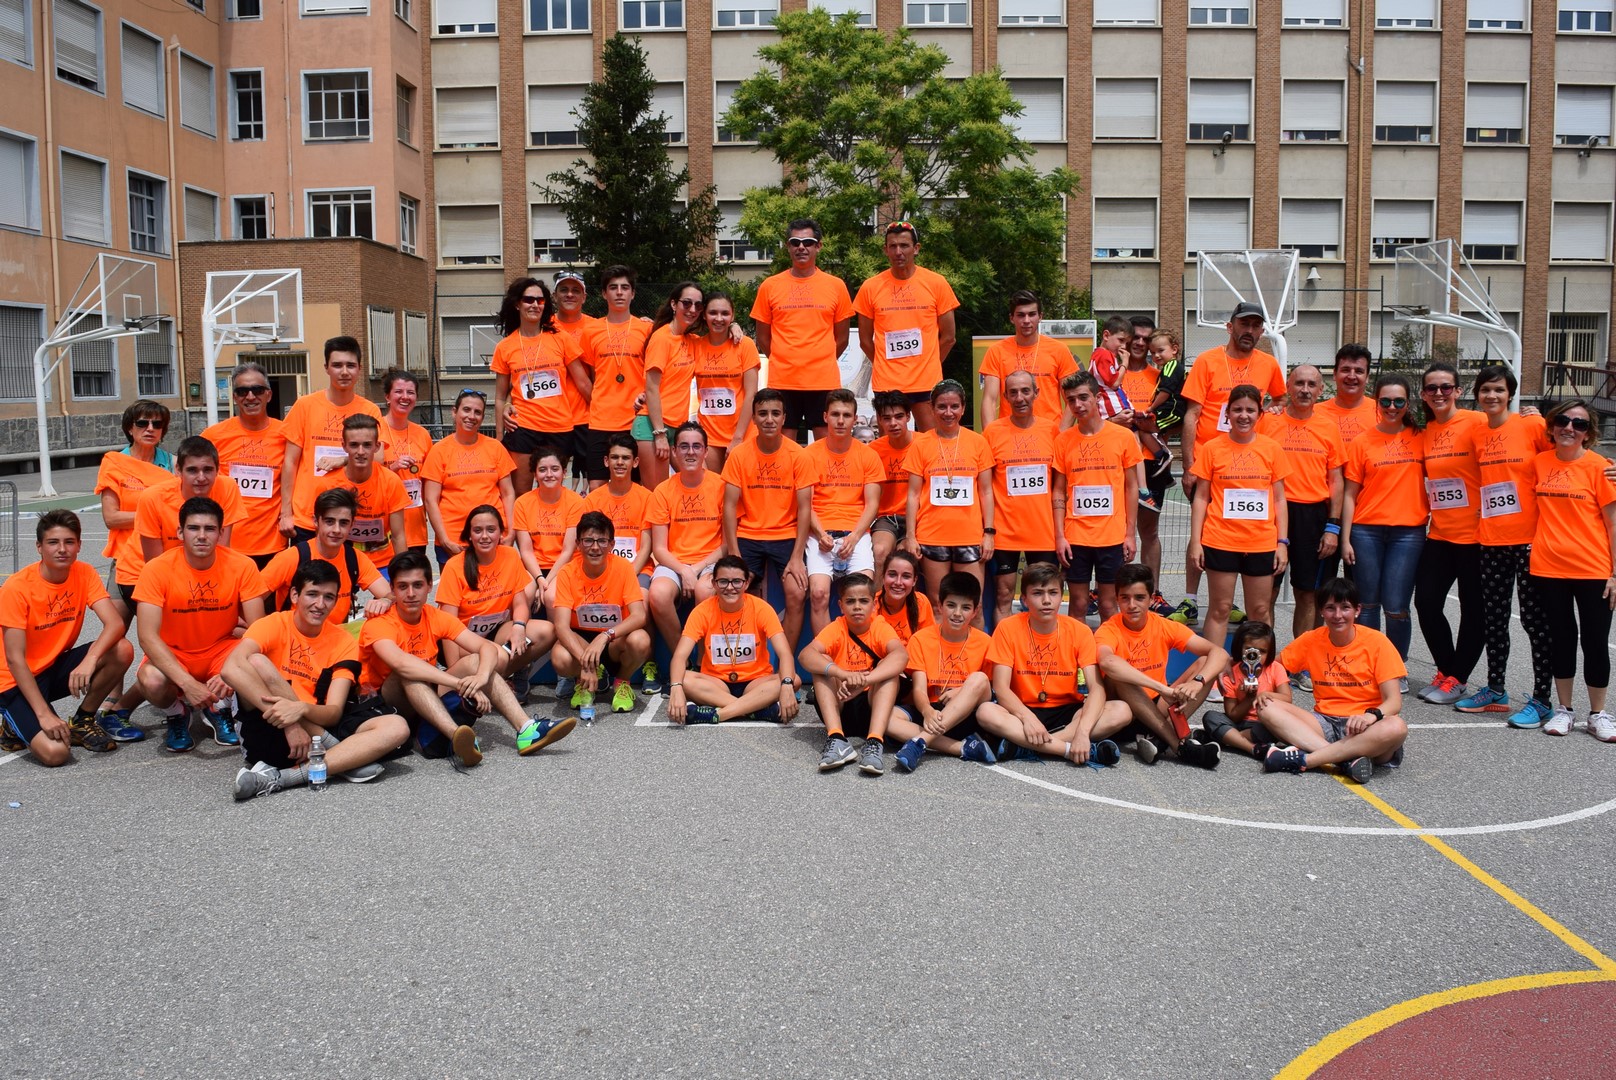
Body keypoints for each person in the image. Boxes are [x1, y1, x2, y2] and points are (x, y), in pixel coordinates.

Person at [360, 551, 573, 763]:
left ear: (429, 586)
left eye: (417, 585)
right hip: (390, 704)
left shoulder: (433, 616)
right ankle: (457, 737)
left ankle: (526, 730)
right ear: (392, 589)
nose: (411, 593)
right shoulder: (379, 622)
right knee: (408, 674)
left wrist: (481, 677)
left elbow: (486, 647)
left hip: (428, 694)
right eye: (402, 586)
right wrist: (459, 684)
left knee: (477, 661)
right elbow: (401, 664)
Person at [225, 561, 410, 800]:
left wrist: (301, 709)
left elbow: (333, 712)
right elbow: (230, 669)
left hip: (317, 728)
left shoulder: (343, 641)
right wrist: (291, 724)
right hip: (270, 726)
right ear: (295, 595)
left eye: (329, 597)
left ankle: (282, 778)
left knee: (397, 726)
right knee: (257, 662)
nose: (320, 604)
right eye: (312, 594)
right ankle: (342, 759)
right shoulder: (272, 624)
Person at [1456, 365, 1557, 727]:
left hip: (1530, 539)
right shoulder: (1478, 432)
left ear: (1511, 394)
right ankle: (1496, 690)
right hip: (1491, 539)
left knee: (1534, 621)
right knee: (1495, 619)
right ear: (1477, 395)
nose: (1492, 396)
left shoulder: (1531, 425)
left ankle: (1542, 699)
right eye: (1485, 390)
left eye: (1499, 390)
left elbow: (1565, 454)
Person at [1175, 302, 1286, 626]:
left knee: (1242, 531)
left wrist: (1273, 409)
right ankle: (1191, 598)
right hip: (1211, 461)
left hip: (1251, 465)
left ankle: (1231, 601)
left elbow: (1280, 398)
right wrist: (1190, 464)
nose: (1249, 331)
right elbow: (1192, 414)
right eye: (1243, 324)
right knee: (1204, 532)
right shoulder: (1207, 361)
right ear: (1230, 327)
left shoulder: (1268, 364)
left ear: (1261, 331)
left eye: (1255, 326)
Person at [132, 498, 267, 752]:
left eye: (210, 529)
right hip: (176, 652)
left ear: (221, 533)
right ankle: (177, 712)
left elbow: (259, 630)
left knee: (256, 663)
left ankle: (219, 707)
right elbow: (147, 637)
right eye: (193, 528)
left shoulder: (243, 565)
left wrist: (233, 672)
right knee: (150, 680)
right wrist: (187, 683)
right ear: (180, 532)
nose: (202, 536)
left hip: (221, 649)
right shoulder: (156, 569)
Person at [0, 511, 134, 763]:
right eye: (53, 542)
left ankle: (83, 720)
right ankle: (10, 726)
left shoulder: (84, 572)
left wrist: (90, 660)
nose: (62, 549)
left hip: (50, 668)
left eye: (69, 542)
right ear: (39, 547)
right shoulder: (17, 588)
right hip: (14, 680)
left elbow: (115, 623)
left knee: (122, 649)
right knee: (56, 753)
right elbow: (14, 659)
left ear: (79, 545)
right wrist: (44, 715)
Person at [1258, 578, 1410, 783]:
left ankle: (1307, 760)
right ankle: (1345, 761)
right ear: (1321, 611)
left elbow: (1394, 701)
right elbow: (1273, 665)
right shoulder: (1311, 639)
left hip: (1366, 726)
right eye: (1330, 608)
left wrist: (1370, 716)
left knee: (1397, 726)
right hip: (1325, 722)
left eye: (1345, 607)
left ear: (1357, 610)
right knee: (1267, 706)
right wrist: (1233, 666)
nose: (1338, 615)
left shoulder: (1377, 642)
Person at [975, 562, 1122, 766]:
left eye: (1053, 593)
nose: (1046, 600)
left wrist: (1083, 731)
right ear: (1024, 599)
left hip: (1067, 710)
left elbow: (1096, 688)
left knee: (1121, 710)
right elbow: (1000, 687)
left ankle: (1026, 746)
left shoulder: (1080, 631)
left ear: (1061, 597)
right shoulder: (1007, 628)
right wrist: (1027, 718)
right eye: (1038, 593)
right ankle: (1067, 749)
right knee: (986, 712)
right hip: (1023, 708)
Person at [1528, 401, 1616, 739]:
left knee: (1595, 642)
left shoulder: (1600, 468)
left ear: (1588, 433)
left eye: (1578, 424)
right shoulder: (1539, 463)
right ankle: (1564, 710)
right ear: (1552, 426)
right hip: (1549, 568)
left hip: (1593, 569)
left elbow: (1613, 524)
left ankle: (1598, 714)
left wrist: (1615, 574)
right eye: (1563, 420)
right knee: (1561, 640)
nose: (1569, 428)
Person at [1188, 383, 1291, 674]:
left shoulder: (1271, 448)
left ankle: (1259, 672)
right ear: (1227, 413)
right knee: (1220, 608)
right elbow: (1201, 497)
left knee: (1259, 611)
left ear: (1260, 414)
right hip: (1220, 540)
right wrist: (1195, 541)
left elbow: (1280, 499)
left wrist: (1282, 542)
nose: (1243, 415)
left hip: (1261, 542)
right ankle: (1213, 674)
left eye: (1250, 410)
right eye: (1237, 410)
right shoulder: (1212, 448)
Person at [1256, 364, 1346, 673]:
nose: (1305, 390)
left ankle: (1300, 664)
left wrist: (1332, 526)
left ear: (1320, 390)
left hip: (1313, 516)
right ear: (1288, 387)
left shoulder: (1329, 427)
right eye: (1299, 383)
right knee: (1265, 593)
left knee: (1307, 593)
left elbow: (1336, 480)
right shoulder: (1268, 421)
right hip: (1272, 515)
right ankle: (1265, 661)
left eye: (1311, 384)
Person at [1094, 563, 1227, 767]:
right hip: (1124, 712)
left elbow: (1219, 653)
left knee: (1204, 663)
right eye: (1125, 598)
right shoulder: (1108, 629)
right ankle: (1178, 745)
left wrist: (1198, 682)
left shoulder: (1163, 625)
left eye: (1139, 598)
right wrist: (1162, 689)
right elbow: (1107, 661)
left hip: (1157, 706)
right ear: (1117, 599)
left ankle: (1157, 740)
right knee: (1118, 674)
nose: (1132, 605)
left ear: (1151, 599)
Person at [1411, 362, 1488, 705]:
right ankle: (1446, 670)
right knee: (1426, 602)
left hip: (1477, 536)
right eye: (1432, 388)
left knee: (1474, 611)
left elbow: (1525, 443)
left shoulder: (1478, 421)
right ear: (1424, 394)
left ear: (1458, 390)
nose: (1439, 393)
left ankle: (1458, 678)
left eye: (1446, 387)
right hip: (1440, 534)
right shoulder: (1424, 431)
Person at [1340, 373, 1426, 668]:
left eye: (1399, 401)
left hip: (1408, 533)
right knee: (1367, 604)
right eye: (1386, 401)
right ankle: (1368, 666)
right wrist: (1345, 538)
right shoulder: (1361, 442)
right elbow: (1349, 494)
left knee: (1396, 605)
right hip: (1366, 531)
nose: (1392, 407)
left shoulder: (1421, 437)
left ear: (1408, 403)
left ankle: (1395, 667)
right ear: (1376, 402)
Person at [723, 390, 818, 652]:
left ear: (784, 418)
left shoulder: (799, 455)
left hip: (786, 536)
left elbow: (805, 509)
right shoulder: (739, 455)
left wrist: (797, 556)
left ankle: (784, 663)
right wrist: (734, 552)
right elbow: (729, 506)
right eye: (763, 413)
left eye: (775, 413)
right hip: (748, 535)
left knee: (797, 592)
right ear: (753, 418)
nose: (769, 419)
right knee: (733, 590)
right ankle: (746, 660)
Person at [435, 504, 555, 702]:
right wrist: (454, 673)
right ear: (469, 535)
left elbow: (520, 603)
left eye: (491, 530)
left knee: (547, 631)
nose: (485, 536)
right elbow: (448, 628)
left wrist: (519, 627)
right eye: (478, 530)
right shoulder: (454, 566)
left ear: (501, 533)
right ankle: (473, 683)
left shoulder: (510, 556)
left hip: (495, 631)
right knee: (498, 655)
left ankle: (495, 680)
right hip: (462, 640)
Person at [750, 218, 853, 444]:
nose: (801, 247)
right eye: (795, 242)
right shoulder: (770, 286)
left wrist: (820, 360)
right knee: (783, 449)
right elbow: (763, 338)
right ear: (788, 246)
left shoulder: (836, 286)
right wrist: (786, 360)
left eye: (808, 242)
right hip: (783, 381)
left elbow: (842, 338)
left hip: (823, 381)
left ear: (818, 246)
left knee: (827, 447)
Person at [798, 572, 911, 775]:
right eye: (850, 601)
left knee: (888, 667)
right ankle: (836, 738)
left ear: (873, 605)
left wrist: (865, 680)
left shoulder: (879, 626)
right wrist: (841, 674)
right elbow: (805, 655)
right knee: (822, 662)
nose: (857, 606)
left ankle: (875, 741)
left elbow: (901, 656)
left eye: (863, 601)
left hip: (871, 707)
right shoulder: (837, 627)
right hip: (841, 704)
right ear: (841, 606)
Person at [854, 221, 959, 432]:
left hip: (925, 381)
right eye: (892, 246)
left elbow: (949, 337)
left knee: (931, 442)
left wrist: (929, 363)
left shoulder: (936, 283)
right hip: (887, 383)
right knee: (889, 445)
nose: (898, 252)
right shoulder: (870, 287)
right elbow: (865, 340)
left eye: (904, 245)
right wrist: (884, 364)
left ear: (916, 249)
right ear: (885, 250)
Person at [667, 556, 799, 725]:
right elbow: (679, 656)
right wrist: (676, 687)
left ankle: (718, 714)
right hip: (716, 683)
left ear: (746, 583)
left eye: (737, 581)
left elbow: (785, 653)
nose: (730, 587)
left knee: (793, 679)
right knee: (683, 679)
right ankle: (756, 711)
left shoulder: (762, 608)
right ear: (714, 584)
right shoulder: (702, 611)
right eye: (723, 581)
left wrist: (786, 685)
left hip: (755, 683)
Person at [886, 572, 998, 771]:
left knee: (979, 678)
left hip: (967, 714)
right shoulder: (921, 639)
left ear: (975, 611)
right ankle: (961, 748)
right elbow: (919, 689)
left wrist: (962, 691)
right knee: (886, 718)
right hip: (932, 710)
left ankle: (920, 742)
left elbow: (988, 689)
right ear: (939, 606)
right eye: (951, 605)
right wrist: (927, 711)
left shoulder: (986, 642)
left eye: (966, 608)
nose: (957, 613)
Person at [1053, 372, 1141, 621]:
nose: (1078, 405)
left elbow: (1131, 487)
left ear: (1098, 397)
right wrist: (1060, 536)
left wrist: (1129, 534)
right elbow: (1058, 490)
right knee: (1078, 604)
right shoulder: (1063, 440)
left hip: (1112, 537)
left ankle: (1107, 648)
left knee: (1108, 605)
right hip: (1076, 537)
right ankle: (1078, 648)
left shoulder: (1123, 436)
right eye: (1071, 400)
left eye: (1083, 397)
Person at [491, 276, 590, 496]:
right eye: (529, 300)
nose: (535, 305)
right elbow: (499, 397)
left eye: (540, 300)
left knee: (554, 492)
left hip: (559, 427)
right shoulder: (505, 347)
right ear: (517, 304)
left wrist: (603, 417)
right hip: (523, 427)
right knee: (521, 494)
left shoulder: (560, 338)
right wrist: (499, 439)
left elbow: (583, 382)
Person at [278, 335, 382, 541]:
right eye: (337, 365)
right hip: (307, 517)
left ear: (359, 368)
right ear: (326, 368)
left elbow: (378, 458)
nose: (344, 372)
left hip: (349, 518)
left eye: (350, 365)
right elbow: (290, 462)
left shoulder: (370, 410)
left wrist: (342, 460)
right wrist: (286, 513)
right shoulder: (305, 406)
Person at [903, 379, 995, 607]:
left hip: (970, 536)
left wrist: (989, 533)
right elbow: (913, 495)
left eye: (954, 406)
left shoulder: (978, 442)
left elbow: (986, 492)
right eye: (942, 406)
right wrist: (911, 536)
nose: (948, 412)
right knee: (937, 604)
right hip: (931, 536)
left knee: (973, 605)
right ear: (932, 409)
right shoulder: (920, 444)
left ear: (963, 408)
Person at [551, 512, 654, 715]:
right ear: (578, 544)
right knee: (559, 657)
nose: (595, 547)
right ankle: (585, 679)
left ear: (611, 544)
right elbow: (561, 626)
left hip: (614, 640)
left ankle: (622, 682)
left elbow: (639, 616)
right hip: (582, 639)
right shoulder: (566, 573)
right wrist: (586, 665)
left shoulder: (624, 568)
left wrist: (605, 635)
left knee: (641, 640)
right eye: (588, 540)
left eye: (601, 541)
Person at [648, 423, 727, 674]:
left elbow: (727, 544)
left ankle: (705, 664)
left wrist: (696, 569)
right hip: (674, 562)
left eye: (696, 446)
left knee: (705, 590)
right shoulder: (663, 490)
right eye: (684, 446)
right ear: (674, 451)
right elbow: (659, 548)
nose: (690, 452)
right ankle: (684, 660)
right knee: (658, 594)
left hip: (711, 561)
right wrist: (684, 570)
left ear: (706, 452)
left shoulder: (721, 486)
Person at [805, 389, 884, 634]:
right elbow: (804, 504)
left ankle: (860, 651)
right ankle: (825, 654)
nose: (841, 421)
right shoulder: (809, 454)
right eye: (835, 414)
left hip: (856, 534)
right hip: (819, 534)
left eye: (847, 415)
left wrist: (855, 536)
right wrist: (820, 534)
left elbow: (872, 504)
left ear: (855, 419)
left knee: (864, 594)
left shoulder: (868, 455)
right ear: (825, 417)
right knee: (818, 593)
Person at [984, 370, 1060, 625]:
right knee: (1004, 596)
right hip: (1005, 532)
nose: (1019, 398)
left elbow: (1060, 484)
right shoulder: (992, 432)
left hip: (1043, 531)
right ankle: (1005, 647)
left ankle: (1041, 645)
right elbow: (984, 485)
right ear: (1005, 397)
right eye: (1013, 392)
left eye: (1025, 391)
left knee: (1044, 598)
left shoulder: (1052, 431)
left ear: (1036, 393)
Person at [259, 488, 393, 624]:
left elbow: (391, 595)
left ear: (352, 525)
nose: (336, 530)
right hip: (293, 635)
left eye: (343, 523)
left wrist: (385, 600)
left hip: (336, 635)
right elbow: (253, 597)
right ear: (316, 521)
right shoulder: (292, 557)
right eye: (329, 521)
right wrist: (264, 630)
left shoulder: (355, 558)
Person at [202, 363, 288, 568]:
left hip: (272, 545)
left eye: (257, 390)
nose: (250, 397)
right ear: (234, 397)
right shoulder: (214, 436)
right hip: (226, 544)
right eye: (242, 391)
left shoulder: (286, 434)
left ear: (268, 394)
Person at [97, 399, 174, 621]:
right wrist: (154, 516)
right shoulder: (115, 463)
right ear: (130, 428)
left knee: (162, 628)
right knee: (114, 630)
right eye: (142, 423)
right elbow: (111, 518)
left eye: (157, 424)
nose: (150, 429)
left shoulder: (174, 464)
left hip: (163, 557)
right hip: (125, 558)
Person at [422, 390, 518, 566]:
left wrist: (511, 531)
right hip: (454, 540)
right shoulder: (439, 451)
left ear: (482, 417)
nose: (471, 416)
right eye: (466, 410)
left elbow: (508, 493)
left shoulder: (496, 448)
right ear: (454, 412)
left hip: (492, 538)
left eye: (477, 412)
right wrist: (444, 540)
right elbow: (430, 500)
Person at [580, 265, 654, 489]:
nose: (619, 292)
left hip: (636, 420)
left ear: (633, 293)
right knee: (597, 486)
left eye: (625, 287)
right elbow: (590, 375)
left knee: (637, 487)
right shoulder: (591, 330)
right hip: (601, 420)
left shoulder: (647, 329)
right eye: (613, 287)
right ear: (604, 293)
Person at [306, 415, 411, 573]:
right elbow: (321, 536)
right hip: (342, 561)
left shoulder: (391, 481)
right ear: (344, 446)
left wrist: (404, 574)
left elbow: (398, 536)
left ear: (377, 447)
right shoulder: (328, 484)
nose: (360, 452)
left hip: (383, 562)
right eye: (354, 445)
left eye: (367, 445)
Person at [1137, 329, 1187, 607]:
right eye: (1152, 351)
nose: (1154, 355)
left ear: (1174, 349)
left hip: (1149, 461)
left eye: (1159, 350)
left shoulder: (1167, 371)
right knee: (1115, 532)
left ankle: (1152, 593)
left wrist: (1148, 410)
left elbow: (1172, 397)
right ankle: (1106, 589)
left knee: (1149, 531)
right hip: (1119, 464)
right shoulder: (1115, 375)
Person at [978, 291, 1077, 426]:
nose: (1026, 320)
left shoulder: (1059, 350)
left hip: (1049, 433)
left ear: (1040, 317)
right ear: (1012, 318)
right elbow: (990, 400)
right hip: (1009, 433)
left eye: (1032, 314)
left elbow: (1072, 398)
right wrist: (990, 435)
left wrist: (1061, 434)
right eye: (1020, 315)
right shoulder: (996, 351)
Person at [641, 281, 705, 489]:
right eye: (687, 303)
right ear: (674, 304)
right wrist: (659, 434)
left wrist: (733, 326)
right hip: (653, 426)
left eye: (698, 305)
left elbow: (718, 339)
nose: (692, 309)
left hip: (677, 428)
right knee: (657, 493)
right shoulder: (661, 338)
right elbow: (651, 387)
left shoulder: (692, 340)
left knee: (699, 483)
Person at [1199, 620, 1290, 761]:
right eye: (1249, 650)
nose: (1255, 656)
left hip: (1263, 723)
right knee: (1211, 717)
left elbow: (1287, 699)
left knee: (1276, 728)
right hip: (1238, 723)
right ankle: (1252, 748)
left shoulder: (1275, 669)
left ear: (1270, 652)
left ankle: (1227, 738)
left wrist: (1264, 694)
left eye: (1262, 651)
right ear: (1239, 648)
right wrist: (1249, 698)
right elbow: (1232, 715)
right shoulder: (1231, 675)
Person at [691, 292, 760, 469]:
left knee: (738, 486)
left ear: (732, 315)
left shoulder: (744, 345)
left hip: (742, 432)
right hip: (709, 434)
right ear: (704, 315)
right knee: (712, 484)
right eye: (713, 313)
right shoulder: (695, 345)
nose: (719, 318)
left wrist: (738, 437)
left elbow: (751, 394)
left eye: (725, 313)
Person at [514, 446, 587, 611]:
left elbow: (568, 551)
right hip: (534, 567)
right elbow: (525, 551)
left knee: (552, 596)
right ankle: (522, 626)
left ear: (564, 472)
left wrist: (546, 583)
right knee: (523, 593)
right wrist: (539, 578)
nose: (549, 474)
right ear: (535, 474)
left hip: (565, 565)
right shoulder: (522, 503)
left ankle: (558, 629)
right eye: (542, 470)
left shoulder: (576, 502)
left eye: (555, 469)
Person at [548, 270, 598, 484]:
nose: (569, 294)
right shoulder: (543, 326)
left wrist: (647, 323)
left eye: (576, 290)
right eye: (564, 290)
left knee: (589, 483)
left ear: (584, 297)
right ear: (554, 295)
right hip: (551, 419)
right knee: (551, 480)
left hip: (587, 418)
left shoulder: (596, 327)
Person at [377, 369, 433, 558]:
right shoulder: (376, 430)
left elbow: (429, 482)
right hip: (384, 529)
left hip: (415, 530)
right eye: (398, 391)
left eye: (410, 392)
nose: (405, 397)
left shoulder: (423, 434)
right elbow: (368, 476)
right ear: (387, 397)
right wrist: (392, 468)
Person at [869, 390, 917, 572]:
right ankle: (877, 592)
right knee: (879, 551)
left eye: (899, 417)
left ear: (908, 416)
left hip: (918, 517)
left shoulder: (924, 444)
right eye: (887, 418)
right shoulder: (873, 450)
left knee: (905, 555)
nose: (893, 423)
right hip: (886, 518)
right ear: (880, 420)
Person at [1316, 344, 1376, 447]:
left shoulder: (1381, 413)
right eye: (1346, 370)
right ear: (1335, 374)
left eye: (1359, 371)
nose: (1351, 376)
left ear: (1367, 377)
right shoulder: (1315, 413)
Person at [872, 549, 936, 644]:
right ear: (883, 577)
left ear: (914, 581)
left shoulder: (921, 602)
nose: (898, 582)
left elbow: (928, 642)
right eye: (892, 575)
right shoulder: (871, 606)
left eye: (906, 576)